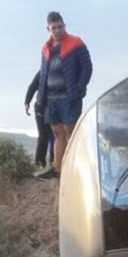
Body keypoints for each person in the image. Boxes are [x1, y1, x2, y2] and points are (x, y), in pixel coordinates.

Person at [35, 11, 92, 179]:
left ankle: (74, 171)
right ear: (48, 28)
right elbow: (42, 74)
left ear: (64, 25)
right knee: (57, 134)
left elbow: (87, 68)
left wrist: (79, 88)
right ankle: (58, 170)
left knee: (71, 133)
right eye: (54, 28)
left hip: (69, 96)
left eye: (60, 26)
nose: (57, 30)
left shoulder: (76, 43)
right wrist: (40, 99)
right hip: (51, 98)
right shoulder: (45, 48)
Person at [24, 71, 54, 169]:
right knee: (45, 135)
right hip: (42, 107)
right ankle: (40, 162)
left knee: (54, 135)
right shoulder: (43, 72)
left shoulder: (63, 69)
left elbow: (32, 87)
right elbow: (32, 87)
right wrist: (27, 101)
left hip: (54, 107)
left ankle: (53, 162)